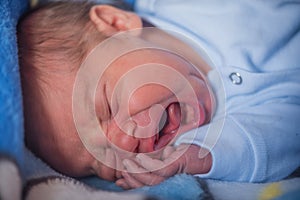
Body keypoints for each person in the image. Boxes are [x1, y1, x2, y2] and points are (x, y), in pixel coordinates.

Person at [17, 0, 300, 190]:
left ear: (116, 24)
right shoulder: (223, 135)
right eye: (101, 161)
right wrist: (200, 157)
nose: (126, 144)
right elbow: (280, 139)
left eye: (107, 107)